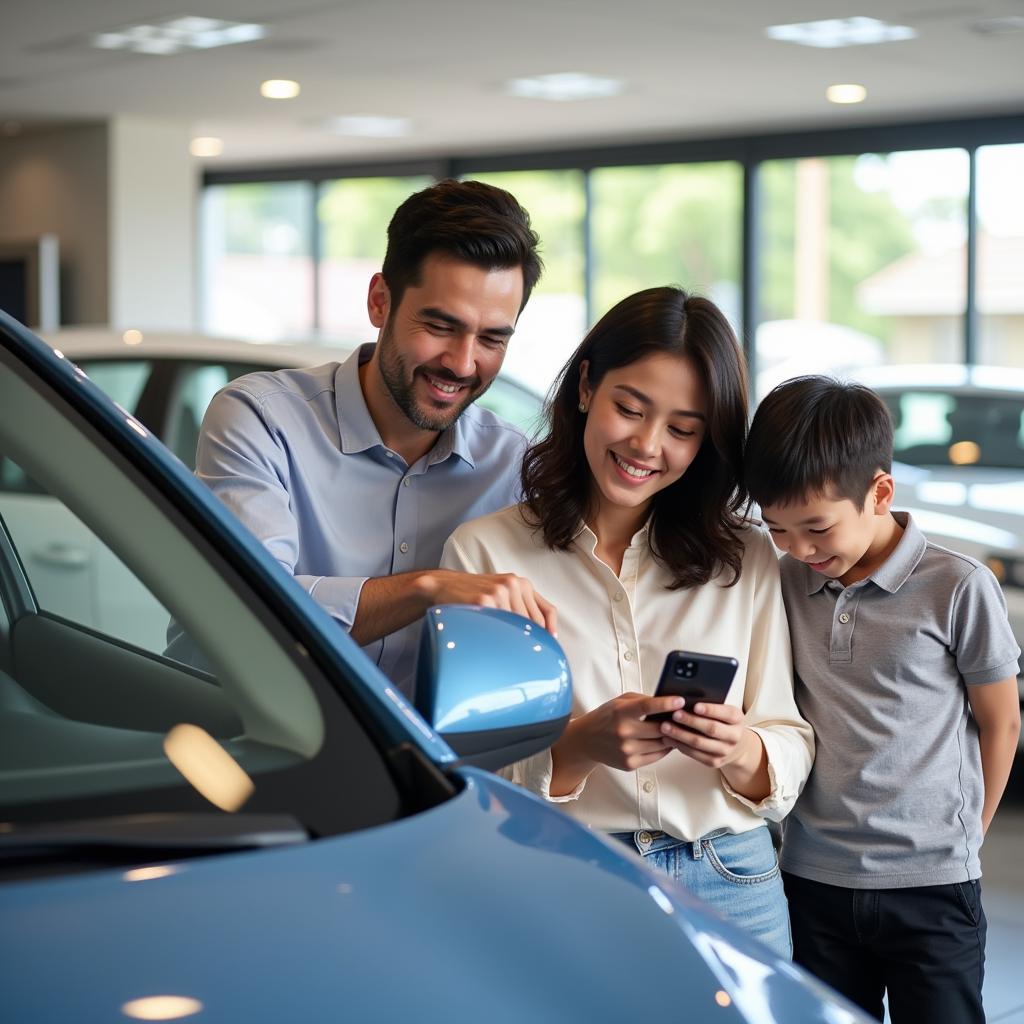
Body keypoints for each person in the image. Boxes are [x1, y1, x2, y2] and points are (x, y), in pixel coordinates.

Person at [442, 286, 813, 957]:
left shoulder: (747, 555)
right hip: (566, 874)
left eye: (682, 429)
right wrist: (577, 748)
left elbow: (787, 737)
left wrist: (740, 751)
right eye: (630, 409)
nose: (647, 445)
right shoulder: (484, 554)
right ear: (586, 385)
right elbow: (472, 774)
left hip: (732, 876)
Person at [193, 179, 555, 694]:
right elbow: (251, 610)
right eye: (440, 326)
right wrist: (427, 589)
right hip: (248, 740)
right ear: (380, 301)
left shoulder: (511, 465)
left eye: (492, 338)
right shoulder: (261, 417)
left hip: (414, 766)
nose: (462, 362)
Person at [743, 375, 1021, 1023]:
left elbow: (1001, 722)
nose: (800, 550)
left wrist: (968, 839)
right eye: (778, 530)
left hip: (933, 885)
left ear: (880, 493)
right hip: (812, 878)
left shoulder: (958, 586)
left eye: (816, 528)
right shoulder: (781, 581)